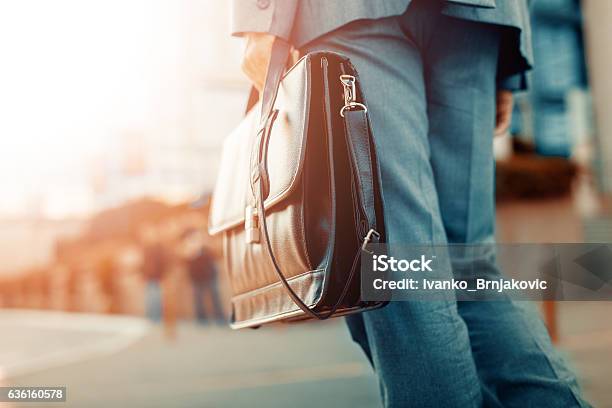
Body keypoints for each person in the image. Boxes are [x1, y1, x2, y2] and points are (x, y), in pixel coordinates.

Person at [231, 0, 589, 407]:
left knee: (400, 264)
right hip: (478, 16)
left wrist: (260, 15)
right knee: (467, 262)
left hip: (350, 12)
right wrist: (508, 58)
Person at [181, 229, 225, 324]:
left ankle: (220, 318)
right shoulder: (188, 248)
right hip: (196, 278)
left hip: (210, 275)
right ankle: (202, 319)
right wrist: (194, 249)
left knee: (215, 297)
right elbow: (186, 258)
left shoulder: (207, 247)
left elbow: (215, 255)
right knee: (198, 299)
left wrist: (205, 246)